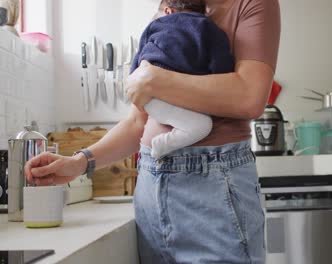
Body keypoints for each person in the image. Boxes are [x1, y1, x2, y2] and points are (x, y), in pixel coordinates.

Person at [25, 0, 280, 263]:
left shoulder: (250, 3)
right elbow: (138, 123)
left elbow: (250, 97)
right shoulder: (166, 14)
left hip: (213, 190)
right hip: (149, 189)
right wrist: (79, 162)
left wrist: (153, 79)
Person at [132, 0, 234, 159]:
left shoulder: (153, 26)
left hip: (152, 100)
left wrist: (134, 87)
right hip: (185, 95)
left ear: (168, 11)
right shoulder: (210, 28)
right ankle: (162, 143)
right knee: (203, 125)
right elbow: (222, 68)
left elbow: (137, 62)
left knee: (198, 123)